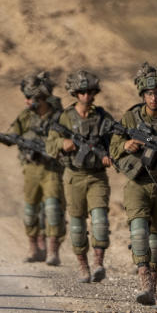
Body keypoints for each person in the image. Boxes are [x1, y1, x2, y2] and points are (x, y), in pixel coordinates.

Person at [110, 62, 157, 310]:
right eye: (149, 94)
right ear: (143, 95)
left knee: (156, 238)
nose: (154, 97)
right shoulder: (131, 117)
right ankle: (144, 283)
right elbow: (113, 148)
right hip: (137, 183)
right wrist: (126, 146)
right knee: (139, 230)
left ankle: (153, 289)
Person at [0, 72, 65, 266]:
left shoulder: (60, 117)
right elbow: (13, 135)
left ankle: (52, 250)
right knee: (31, 210)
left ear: (42, 98)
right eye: (27, 97)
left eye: (31, 98)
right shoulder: (26, 116)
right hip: (31, 168)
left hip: (52, 169)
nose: (27, 101)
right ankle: (34, 247)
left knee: (53, 209)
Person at [46, 70, 114, 283]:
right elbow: (50, 144)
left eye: (89, 92)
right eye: (81, 92)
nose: (86, 96)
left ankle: (98, 263)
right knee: (77, 225)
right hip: (74, 176)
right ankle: (83, 266)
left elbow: (116, 142)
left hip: (97, 177)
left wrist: (110, 155)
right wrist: (62, 144)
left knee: (100, 220)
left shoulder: (103, 117)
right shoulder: (65, 117)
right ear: (75, 93)